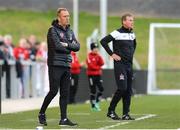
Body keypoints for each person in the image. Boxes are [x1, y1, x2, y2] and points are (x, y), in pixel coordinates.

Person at [38, 8, 80, 126]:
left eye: (68, 16)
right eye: (65, 16)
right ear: (59, 18)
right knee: (53, 91)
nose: (67, 18)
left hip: (67, 64)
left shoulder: (70, 31)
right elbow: (57, 47)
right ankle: (41, 113)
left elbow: (77, 46)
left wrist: (66, 44)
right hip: (55, 64)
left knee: (65, 93)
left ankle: (64, 119)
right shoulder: (52, 30)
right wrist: (70, 47)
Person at [100, 13, 137, 120]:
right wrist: (112, 54)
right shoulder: (117, 33)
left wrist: (129, 56)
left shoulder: (132, 34)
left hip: (129, 65)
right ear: (124, 21)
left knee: (128, 90)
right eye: (130, 20)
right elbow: (103, 41)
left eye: (132, 20)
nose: (132, 22)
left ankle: (126, 114)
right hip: (120, 65)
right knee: (122, 88)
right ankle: (111, 110)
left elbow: (134, 45)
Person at [86, 42, 104, 112]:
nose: (96, 50)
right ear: (92, 49)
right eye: (94, 48)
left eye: (97, 48)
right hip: (91, 75)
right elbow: (91, 66)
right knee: (93, 90)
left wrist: (98, 66)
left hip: (98, 75)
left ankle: (97, 102)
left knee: (101, 89)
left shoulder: (98, 56)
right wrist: (98, 67)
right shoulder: (89, 56)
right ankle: (93, 106)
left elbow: (102, 63)